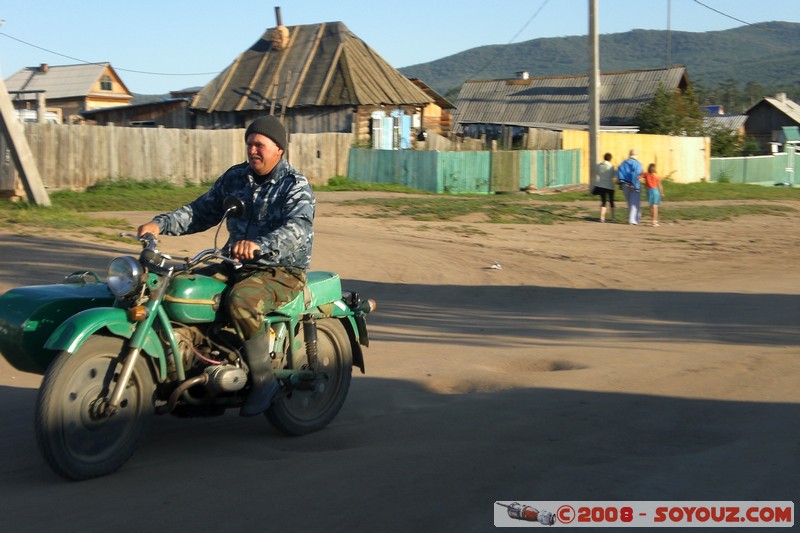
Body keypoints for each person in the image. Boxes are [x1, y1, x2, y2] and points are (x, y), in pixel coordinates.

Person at [137, 115, 315, 417]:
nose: (253, 151)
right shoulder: (235, 178)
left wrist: (261, 245)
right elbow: (200, 210)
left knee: (242, 299)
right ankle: (200, 380)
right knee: (182, 287)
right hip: (234, 262)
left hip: (281, 269)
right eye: (249, 145)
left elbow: (298, 229)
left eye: (260, 145)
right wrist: (159, 224)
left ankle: (264, 380)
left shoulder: (294, 185)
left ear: (279, 150)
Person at [617, 149, 643, 225]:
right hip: (633, 184)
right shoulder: (638, 164)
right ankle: (633, 220)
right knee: (635, 202)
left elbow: (619, 173)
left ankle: (631, 218)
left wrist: (621, 183)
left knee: (629, 202)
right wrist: (633, 183)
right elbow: (635, 174)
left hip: (624, 184)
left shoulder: (623, 163)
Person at [594, 152, 616, 222]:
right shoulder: (611, 166)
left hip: (601, 185)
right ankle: (613, 217)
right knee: (611, 201)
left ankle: (602, 217)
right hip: (610, 185)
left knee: (603, 201)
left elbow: (597, 173)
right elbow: (613, 175)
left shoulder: (598, 165)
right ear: (610, 159)